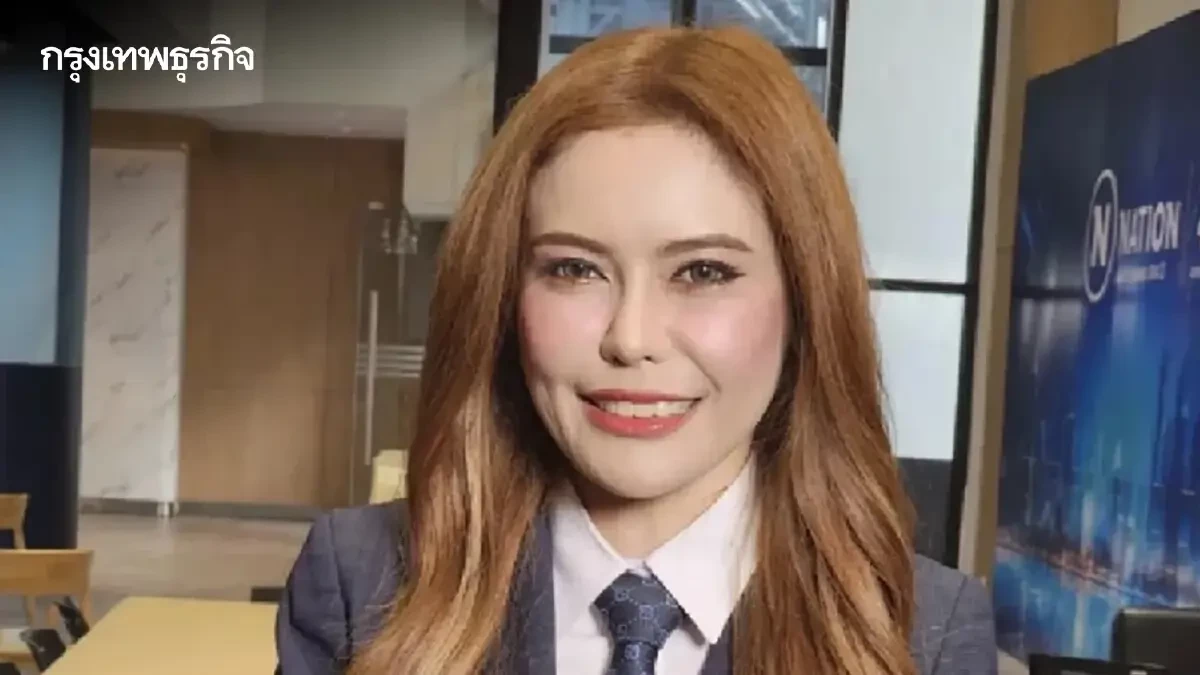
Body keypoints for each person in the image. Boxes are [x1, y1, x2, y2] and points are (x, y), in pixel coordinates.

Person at [275, 24, 997, 675]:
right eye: (575, 268)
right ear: (503, 295)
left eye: (703, 272)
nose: (631, 338)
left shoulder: (920, 635)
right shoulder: (363, 584)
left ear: (805, 302)